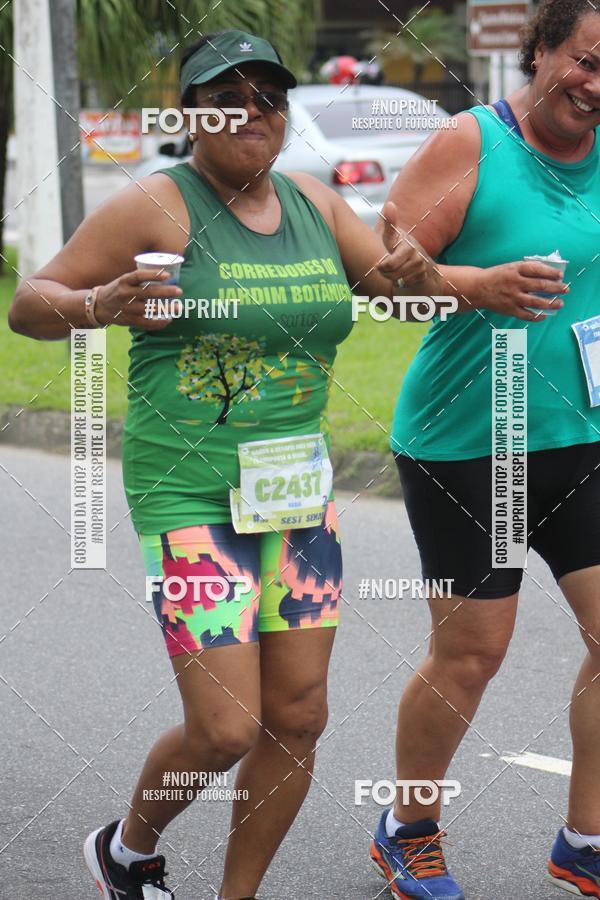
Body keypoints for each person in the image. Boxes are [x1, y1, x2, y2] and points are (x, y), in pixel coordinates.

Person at [8, 29, 437, 900]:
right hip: (190, 493)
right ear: (191, 113)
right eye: (227, 97)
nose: (253, 113)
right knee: (225, 727)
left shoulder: (316, 204)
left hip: (296, 494)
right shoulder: (154, 207)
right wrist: (101, 301)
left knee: (299, 716)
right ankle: (129, 848)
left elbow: (397, 294)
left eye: (269, 97)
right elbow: (29, 304)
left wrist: (414, 272)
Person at [369, 1, 600, 898]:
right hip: (476, 442)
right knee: (474, 652)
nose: (593, 83)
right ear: (537, 51)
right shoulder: (471, 144)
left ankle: (584, 836)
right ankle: (409, 826)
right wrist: (478, 285)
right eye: (582, 60)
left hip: (580, 432)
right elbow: (382, 279)